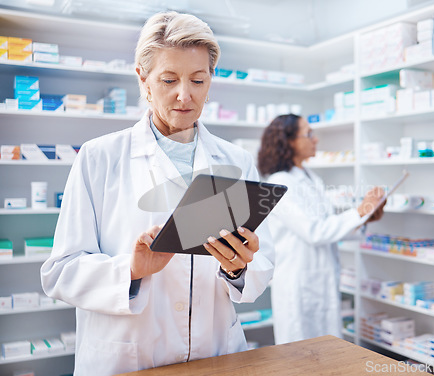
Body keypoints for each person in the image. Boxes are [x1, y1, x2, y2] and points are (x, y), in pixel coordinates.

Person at [41, 11, 274, 376]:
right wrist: (130, 269)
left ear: (211, 80)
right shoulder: (99, 158)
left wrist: (239, 267)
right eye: (169, 79)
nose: (185, 95)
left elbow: (262, 263)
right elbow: (60, 272)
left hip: (215, 356)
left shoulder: (236, 161)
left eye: (198, 80)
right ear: (143, 79)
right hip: (127, 361)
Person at [257, 114, 385, 345]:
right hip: (297, 283)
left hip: (322, 277)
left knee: (328, 351)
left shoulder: (312, 178)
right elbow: (314, 232)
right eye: (308, 134)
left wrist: (365, 218)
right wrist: (358, 212)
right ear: (289, 142)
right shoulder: (277, 184)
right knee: (298, 356)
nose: (315, 140)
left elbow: (328, 227)